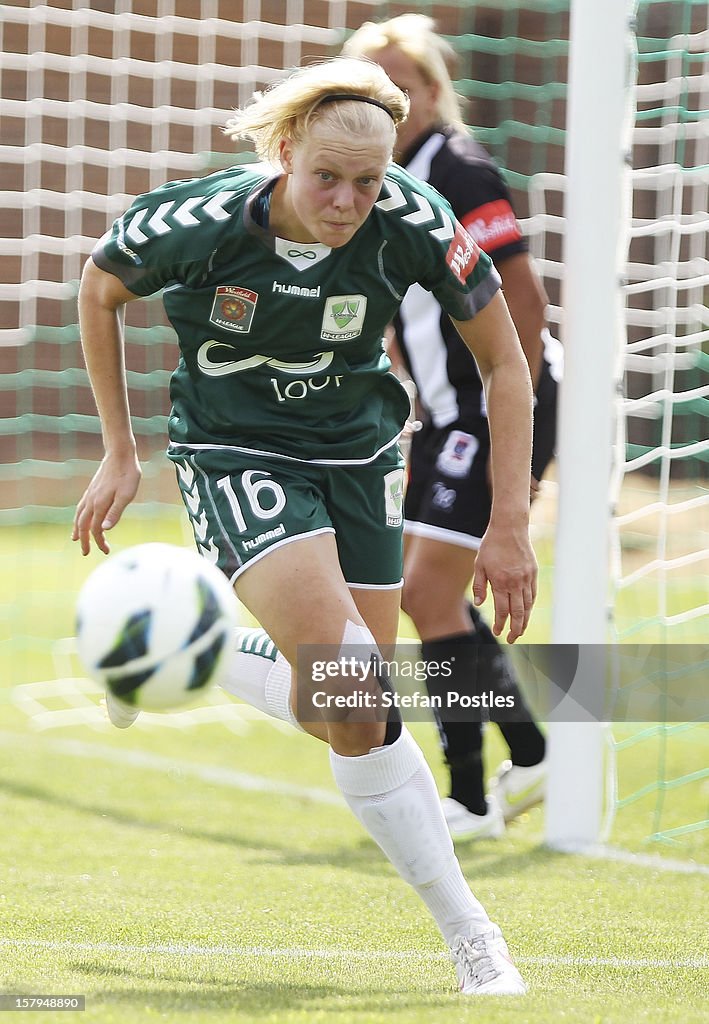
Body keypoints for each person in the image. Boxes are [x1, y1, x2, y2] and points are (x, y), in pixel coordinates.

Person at [72, 55, 536, 996]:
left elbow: (508, 366)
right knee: (362, 691)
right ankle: (474, 939)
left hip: (360, 457)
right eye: (326, 176)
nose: (345, 201)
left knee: (343, 719)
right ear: (284, 152)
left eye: (366, 182)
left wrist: (510, 525)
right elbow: (99, 289)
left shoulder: (412, 220)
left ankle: (169, 647)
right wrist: (120, 449)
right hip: (233, 451)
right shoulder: (197, 224)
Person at [344, 16, 561, 840]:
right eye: (370, 91)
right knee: (420, 592)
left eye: (400, 89)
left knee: (424, 592)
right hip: (446, 415)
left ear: (433, 95)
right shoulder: (382, 181)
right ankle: (528, 756)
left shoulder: (456, 169)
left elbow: (524, 301)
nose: (386, 105)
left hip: (492, 408)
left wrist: (515, 425)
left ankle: (472, 798)